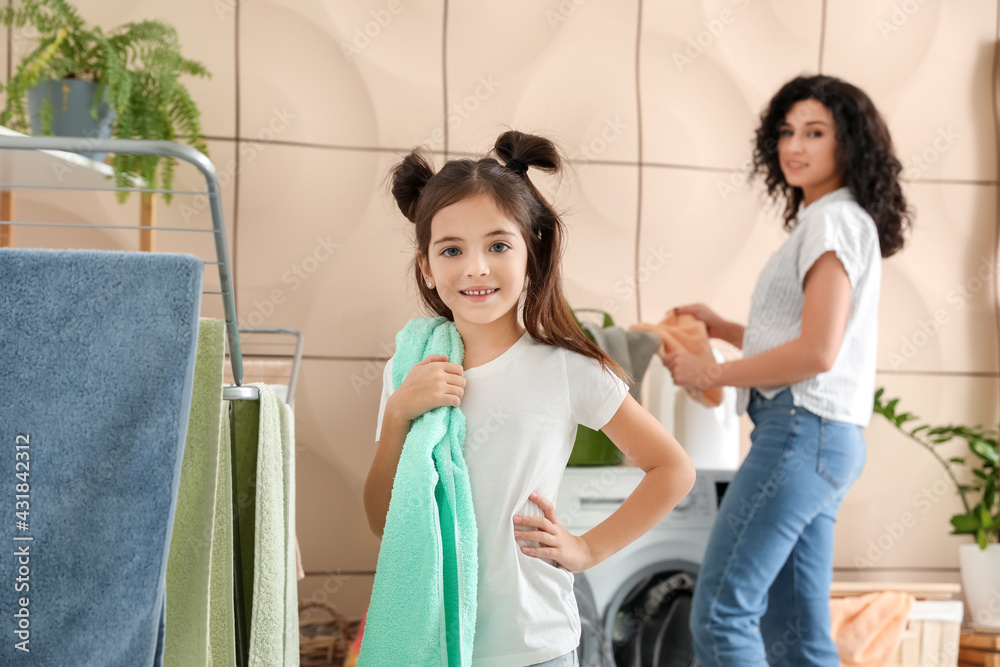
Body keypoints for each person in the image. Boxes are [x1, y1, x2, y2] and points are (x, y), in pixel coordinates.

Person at [363, 130, 696, 666]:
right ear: (426, 265)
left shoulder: (566, 369)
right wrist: (402, 409)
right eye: (452, 250)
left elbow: (673, 469)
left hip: (534, 644)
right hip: (439, 644)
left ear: (531, 253)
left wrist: (587, 549)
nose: (476, 267)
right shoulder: (412, 371)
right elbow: (383, 518)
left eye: (498, 245)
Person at [667, 75, 910, 666]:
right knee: (796, 631)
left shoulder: (830, 224)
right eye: (786, 131)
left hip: (799, 433)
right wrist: (724, 329)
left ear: (848, 143)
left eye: (815, 132)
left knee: (722, 615)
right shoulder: (839, 220)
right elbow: (814, 341)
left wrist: (709, 374)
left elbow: (816, 355)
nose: (794, 146)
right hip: (826, 438)